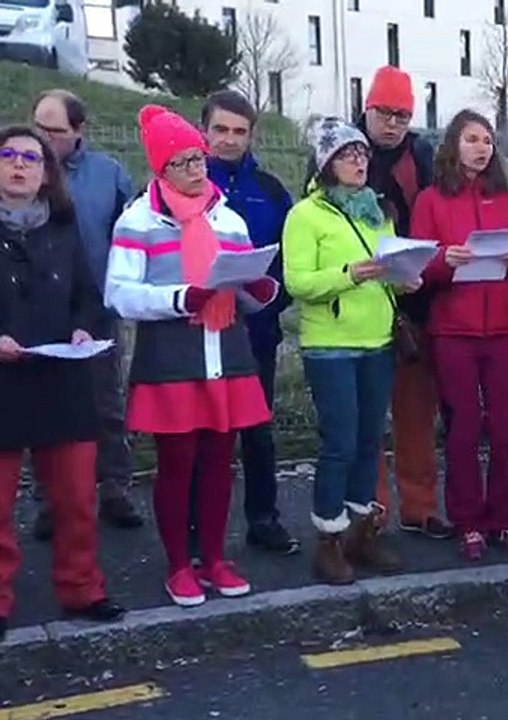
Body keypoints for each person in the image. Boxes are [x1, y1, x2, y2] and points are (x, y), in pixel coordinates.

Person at [105, 105, 275, 608]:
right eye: (182, 163)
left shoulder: (228, 217)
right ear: (161, 169)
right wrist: (179, 299)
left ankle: (215, 559)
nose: (196, 170)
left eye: (197, 159)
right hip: (172, 356)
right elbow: (118, 293)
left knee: (222, 460)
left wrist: (258, 289)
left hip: (226, 349)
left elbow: (242, 280)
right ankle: (179, 564)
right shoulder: (139, 219)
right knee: (177, 463)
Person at [0, 125, 126, 638]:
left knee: (75, 498)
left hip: (61, 376)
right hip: (4, 383)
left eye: (31, 157)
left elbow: (88, 297)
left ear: (47, 172)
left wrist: (83, 326)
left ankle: (81, 589)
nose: (19, 164)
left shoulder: (63, 225)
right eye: (8, 155)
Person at [283, 117, 409, 585]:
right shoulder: (305, 215)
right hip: (331, 346)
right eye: (346, 155)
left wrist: (404, 278)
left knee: (369, 441)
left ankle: (361, 532)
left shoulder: (378, 211)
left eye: (361, 154)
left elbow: (388, 269)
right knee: (339, 443)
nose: (358, 161)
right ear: (325, 164)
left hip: (377, 342)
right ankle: (328, 540)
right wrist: (350, 274)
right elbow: (299, 282)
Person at [413, 109, 508, 561]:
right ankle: (467, 521)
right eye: (471, 139)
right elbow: (421, 265)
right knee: (463, 429)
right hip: (454, 331)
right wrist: (446, 260)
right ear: (453, 145)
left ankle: (505, 518)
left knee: (507, 428)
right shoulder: (431, 201)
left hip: (505, 329)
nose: (481, 147)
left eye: (487, 140)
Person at [29, 89, 143, 538]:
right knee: (42, 407)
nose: (43, 138)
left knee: (106, 403)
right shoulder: (21, 172)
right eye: (38, 126)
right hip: (35, 311)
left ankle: (115, 487)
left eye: (53, 130)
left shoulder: (108, 174)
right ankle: (48, 500)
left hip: (96, 308)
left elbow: (131, 231)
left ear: (79, 131)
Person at [202, 89, 299, 555]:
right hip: (198, 333)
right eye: (220, 129)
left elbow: (289, 257)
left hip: (256, 330)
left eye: (239, 131)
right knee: (206, 437)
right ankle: (202, 532)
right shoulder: (185, 184)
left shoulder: (271, 189)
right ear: (204, 131)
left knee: (258, 431)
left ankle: (264, 518)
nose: (228, 139)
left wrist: (269, 298)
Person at [359, 66, 451, 540]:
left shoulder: (421, 154)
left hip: (415, 300)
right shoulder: (343, 150)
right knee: (368, 418)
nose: (392, 123)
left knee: (416, 414)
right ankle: (370, 513)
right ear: (367, 109)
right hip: (361, 301)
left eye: (402, 114)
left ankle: (419, 507)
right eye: (385, 113)